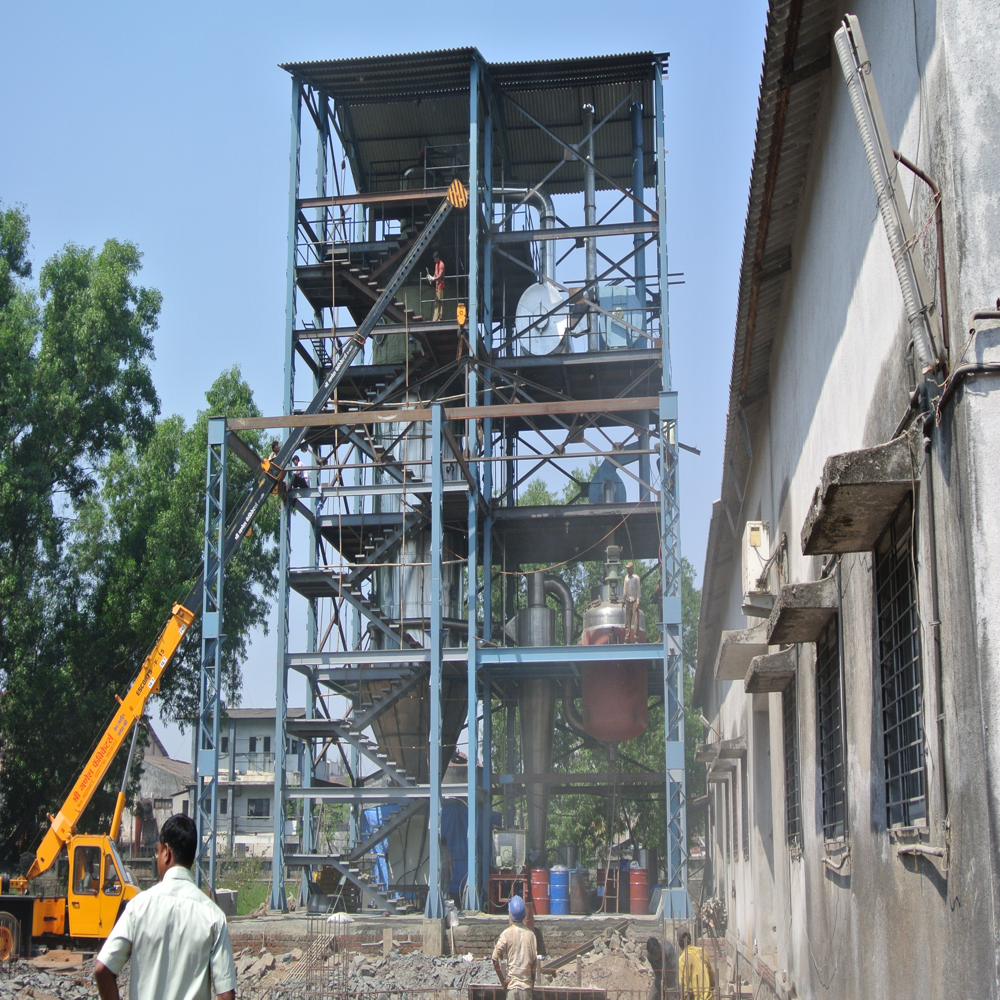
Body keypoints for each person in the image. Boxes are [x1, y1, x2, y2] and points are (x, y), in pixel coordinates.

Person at [95, 814, 237, 1000]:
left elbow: (102, 969)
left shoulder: (138, 907)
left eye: (158, 850)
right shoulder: (213, 916)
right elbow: (226, 995)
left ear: (167, 852)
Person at [492, 895, 537, 999]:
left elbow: (494, 958)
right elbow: (534, 965)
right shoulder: (531, 935)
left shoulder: (506, 934)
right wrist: (532, 987)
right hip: (526, 989)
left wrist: (503, 982)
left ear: (510, 914)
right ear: (524, 914)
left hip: (512, 989)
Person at [677, 930, 715, 1000]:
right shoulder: (702, 952)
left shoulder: (682, 959)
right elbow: (712, 980)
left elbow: (684, 989)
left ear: (679, 943)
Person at [645, 935, 678, 1000]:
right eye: (655, 957)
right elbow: (657, 973)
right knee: (651, 998)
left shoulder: (668, 950)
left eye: (658, 955)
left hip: (672, 978)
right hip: (660, 978)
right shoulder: (649, 956)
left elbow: (676, 969)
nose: (657, 958)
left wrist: (676, 987)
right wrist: (661, 988)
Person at [623, 561, 641, 642]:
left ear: (632, 569)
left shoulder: (636, 578)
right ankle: (627, 638)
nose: (627, 570)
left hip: (634, 600)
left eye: (629, 568)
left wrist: (637, 602)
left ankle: (636, 637)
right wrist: (623, 600)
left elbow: (638, 591)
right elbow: (625, 590)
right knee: (628, 620)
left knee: (636, 619)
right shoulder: (626, 578)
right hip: (628, 600)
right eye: (627, 568)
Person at [427, 251, 446, 321]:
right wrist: (431, 277)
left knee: (440, 301)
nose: (434, 261)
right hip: (437, 286)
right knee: (437, 302)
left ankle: (440, 317)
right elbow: (435, 274)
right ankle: (435, 318)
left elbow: (440, 276)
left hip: (441, 285)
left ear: (438, 258)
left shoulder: (441, 264)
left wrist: (433, 278)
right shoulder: (436, 265)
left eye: (435, 259)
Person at [439, 834, 453, 904]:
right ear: (446, 843)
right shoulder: (448, 851)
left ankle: (439, 902)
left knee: (440, 886)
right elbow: (449, 862)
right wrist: (452, 874)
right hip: (446, 870)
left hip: (440, 871)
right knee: (446, 886)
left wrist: (440, 870)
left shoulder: (439, 851)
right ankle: (445, 902)